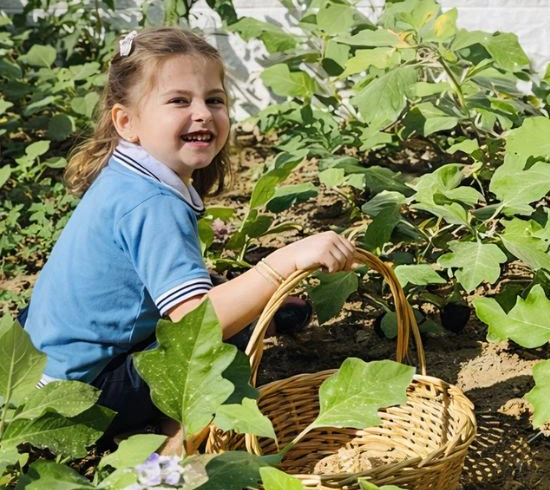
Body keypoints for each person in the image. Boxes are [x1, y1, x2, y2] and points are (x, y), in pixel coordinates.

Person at [19, 27, 357, 451]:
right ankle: (175, 447)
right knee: (223, 334)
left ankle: (259, 314)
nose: (202, 113)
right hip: (77, 404)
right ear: (126, 122)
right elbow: (196, 321)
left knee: (221, 296)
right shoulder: (153, 204)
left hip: (37, 369)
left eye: (214, 100)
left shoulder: (127, 174)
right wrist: (282, 262)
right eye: (179, 101)